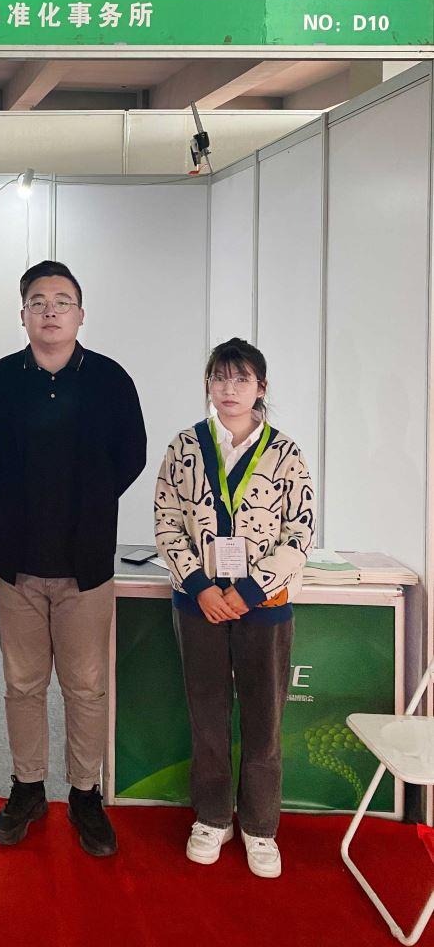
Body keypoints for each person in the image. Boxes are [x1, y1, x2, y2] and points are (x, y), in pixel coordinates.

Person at [0, 261, 146, 857]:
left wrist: (89, 504)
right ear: (22, 314)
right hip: (17, 561)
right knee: (22, 684)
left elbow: (131, 454)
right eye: (39, 301)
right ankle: (27, 787)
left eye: (62, 301)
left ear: (80, 314)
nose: (50, 311)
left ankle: (84, 794)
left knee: (86, 686)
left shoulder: (110, 380)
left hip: (85, 564)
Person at [154, 337, 314, 879]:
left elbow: (300, 534)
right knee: (207, 714)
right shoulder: (185, 446)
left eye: (241, 378)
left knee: (264, 719)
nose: (230, 388)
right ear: (208, 385)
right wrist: (201, 585)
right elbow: (166, 521)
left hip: (263, 606)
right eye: (220, 378)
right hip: (198, 603)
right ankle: (213, 817)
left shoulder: (285, 453)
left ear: (260, 387)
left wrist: (249, 591)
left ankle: (261, 826)